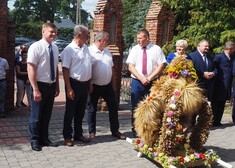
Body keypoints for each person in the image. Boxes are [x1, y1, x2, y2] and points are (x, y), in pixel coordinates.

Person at [126, 29, 166, 137]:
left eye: (140, 38)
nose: (138, 40)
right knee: (136, 105)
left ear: (147, 38)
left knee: (152, 106)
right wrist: (141, 78)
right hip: (137, 81)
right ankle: (136, 129)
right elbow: (130, 66)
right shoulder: (134, 49)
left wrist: (149, 78)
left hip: (152, 81)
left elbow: (161, 65)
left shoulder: (156, 49)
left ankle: (151, 129)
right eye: (137, 38)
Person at [87, 31, 126, 140]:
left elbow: (112, 69)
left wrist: (113, 84)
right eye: (106, 40)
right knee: (92, 108)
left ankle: (115, 130)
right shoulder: (89, 51)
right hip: (94, 85)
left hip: (107, 85)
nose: (108, 42)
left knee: (113, 107)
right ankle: (92, 131)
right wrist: (89, 83)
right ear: (99, 41)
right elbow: (87, 68)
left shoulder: (107, 51)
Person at [27, 22, 60, 151]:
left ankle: (44, 138)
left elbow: (56, 68)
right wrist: (35, 89)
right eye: (51, 31)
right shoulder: (36, 47)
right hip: (39, 85)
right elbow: (31, 68)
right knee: (36, 116)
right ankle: (34, 140)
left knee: (46, 115)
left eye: (55, 32)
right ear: (43, 32)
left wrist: (57, 86)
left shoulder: (55, 47)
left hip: (51, 86)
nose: (53, 34)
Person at [61, 25, 92, 147]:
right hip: (74, 84)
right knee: (70, 111)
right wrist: (69, 88)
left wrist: (89, 82)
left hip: (84, 84)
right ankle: (67, 136)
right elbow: (65, 69)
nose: (88, 37)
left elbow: (87, 66)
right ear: (79, 35)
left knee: (80, 112)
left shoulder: (85, 48)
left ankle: (78, 134)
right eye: (86, 35)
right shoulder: (69, 50)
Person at [189, 40, 216, 125]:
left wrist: (213, 73)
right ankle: (191, 123)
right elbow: (191, 69)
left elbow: (215, 68)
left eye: (208, 46)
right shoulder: (191, 56)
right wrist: (202, 74)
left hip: (207, 86)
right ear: (199, 46)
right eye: (205, 46)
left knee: (204, 106)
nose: (207, 48)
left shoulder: (210, 57)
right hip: (197, 85)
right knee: (195, 106)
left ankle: (202, 124)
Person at [212, 41, 235, 126]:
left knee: (222, 103)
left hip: (227, 83)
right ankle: (214, 120)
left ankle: (218, 120)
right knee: (216, 103)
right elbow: (214, 68)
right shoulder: (219, 57)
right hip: (219, 84)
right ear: (230, 48)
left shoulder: (231, 57)